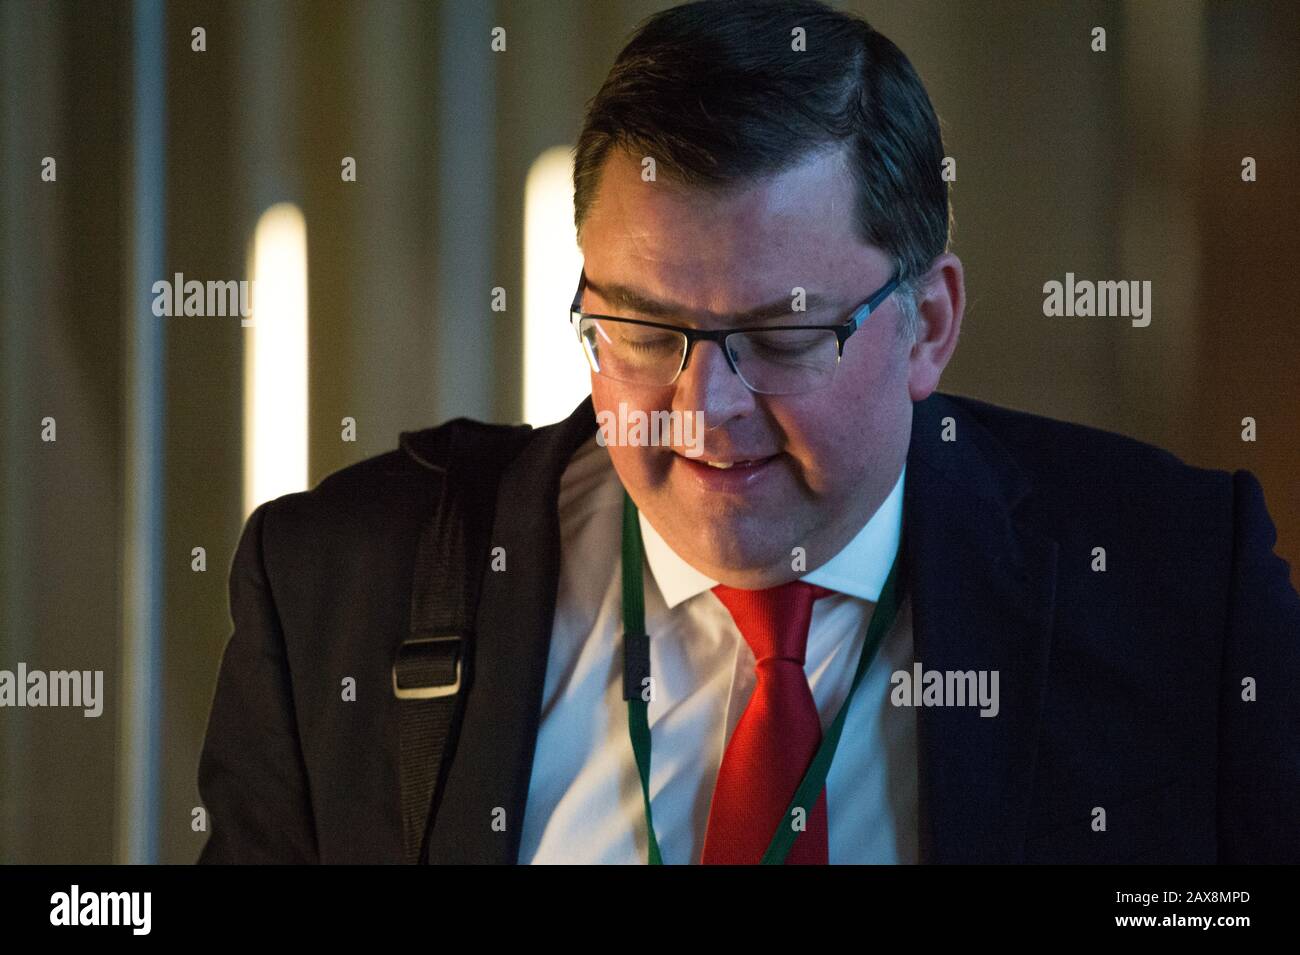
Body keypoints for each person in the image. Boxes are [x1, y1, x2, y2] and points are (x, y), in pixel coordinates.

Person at [196, 0, 1300, 864]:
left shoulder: (1178, 592)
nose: (702, 407)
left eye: (780, 334)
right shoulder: (337, 591)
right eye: (638, 328)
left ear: (927, 324)